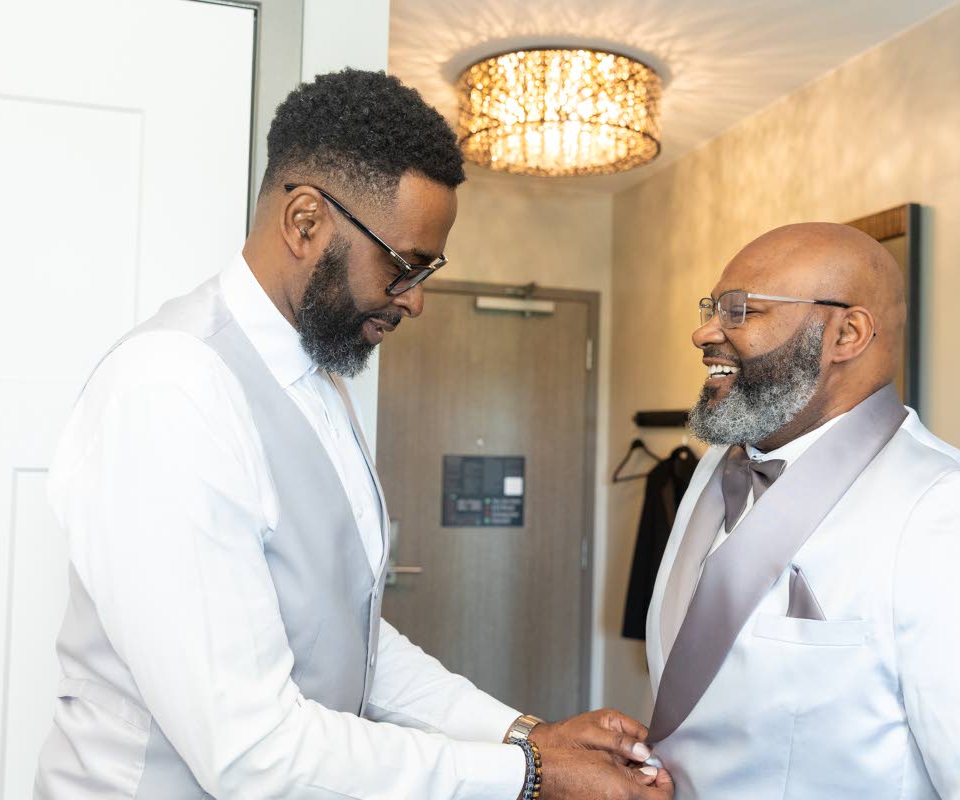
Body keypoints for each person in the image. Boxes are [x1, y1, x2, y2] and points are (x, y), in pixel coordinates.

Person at [34, 69, 672, 800]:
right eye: (403, 266)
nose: (418, 300)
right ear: (305, 222)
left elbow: (350, 637)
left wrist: (523, 735)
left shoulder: (318, 378)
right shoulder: (171, 391)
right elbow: (252, 751)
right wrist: (532, 775)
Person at [643, 222, 960, 798]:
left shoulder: (944, 506)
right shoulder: (712, 468)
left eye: (741, 311)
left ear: (847, 333)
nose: (704, 332)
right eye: (713, 308)